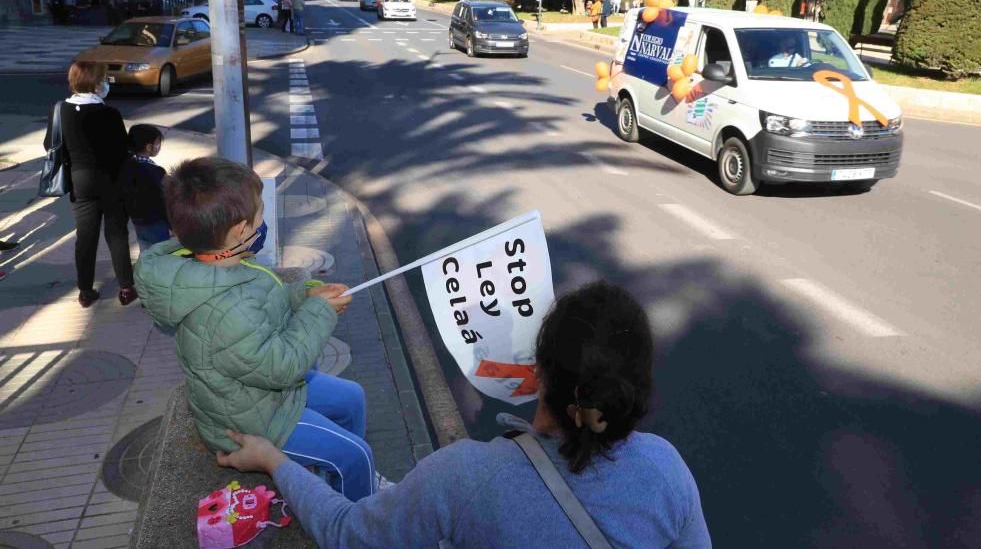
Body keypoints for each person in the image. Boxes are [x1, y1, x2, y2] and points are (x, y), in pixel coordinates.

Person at [217, 281, 712, 548]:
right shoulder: (665, 469)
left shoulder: (465, 475)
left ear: (537, 371)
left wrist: (275, 462)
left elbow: (348, 534)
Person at [133, 157, 388, 502]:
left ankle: (341, 476)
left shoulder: (218, 265)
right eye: (259, 216)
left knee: (352, 398)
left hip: (261, 396)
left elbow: (266, 302)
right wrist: (318, 312)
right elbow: (281, 367)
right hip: (254, 419)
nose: (262, 223)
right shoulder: (225, 305)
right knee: (356, 455)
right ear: (240, 231)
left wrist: (304, 295)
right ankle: (355, 519)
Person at [44, 61, 136, 308]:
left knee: (85, 237)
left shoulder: (60, 110)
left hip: (79, 181)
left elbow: (49, 145)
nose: (107, 83)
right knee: (116, 234)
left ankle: (85, 291)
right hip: (111, 181)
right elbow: (122, 150)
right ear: (95, 83)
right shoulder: (109, 113)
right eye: (104, 79)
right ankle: (126, 288)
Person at [119, 124, 170, 253]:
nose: (159, 146)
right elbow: (162, 201)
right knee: (162, 255)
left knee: (146, 253)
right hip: (157, 223)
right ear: (148, 147)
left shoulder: (127, 166)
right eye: (157, 143)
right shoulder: (155, 172)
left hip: (138, 222)